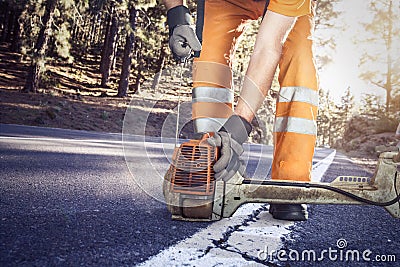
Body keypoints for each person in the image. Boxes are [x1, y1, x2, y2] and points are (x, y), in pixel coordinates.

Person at [164, 0, 318, 221]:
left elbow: (267, 47)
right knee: (209, 55)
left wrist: (237, 129)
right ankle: (211, 168)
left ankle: (290, 183)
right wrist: (177, 15)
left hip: (285, 6)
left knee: (300, 60)